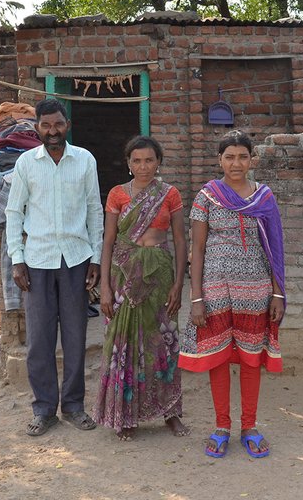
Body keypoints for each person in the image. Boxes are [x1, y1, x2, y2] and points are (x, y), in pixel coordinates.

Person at [178, 130, 285, 459]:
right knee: (219, 357)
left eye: (242, 156)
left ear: (252, 159)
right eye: (229, 157)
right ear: (219, 160)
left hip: (255, 290)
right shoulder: (206, 196)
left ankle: (249, 426)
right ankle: (222, 426)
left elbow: (276, 250)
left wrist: (278, 294)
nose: (236, 163)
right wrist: (196, 298)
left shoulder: (264, 198)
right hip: (215, 288)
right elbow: (196, 249)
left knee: (252, 358)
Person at [5, 98, 104, 437]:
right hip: (37, 261)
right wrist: (17, 259)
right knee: (39, 339)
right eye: (46, 126)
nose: (52, 131)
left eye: (58, 124)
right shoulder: (26, 164)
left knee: (75, 335)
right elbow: (14, 213)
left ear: (67, 125)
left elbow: (95, 210)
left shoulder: (85, 160)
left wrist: (96, 257)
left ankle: (74, 406)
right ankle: (44, 409)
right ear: (37, 128)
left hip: (76, 259)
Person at [93, 136, 189, 441]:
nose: (143, 166)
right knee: (123, 345)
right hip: (124, 272)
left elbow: (179, 240)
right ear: (129, 163)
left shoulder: (170, 194)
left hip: (159, 273)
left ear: (158, 162)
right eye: (137, 161)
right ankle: (126, 415)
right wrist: (105, 287)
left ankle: (171, 412)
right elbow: (108, 241)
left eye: (149, 160)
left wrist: (178, 284)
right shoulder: (118, 194)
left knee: (164, 342)